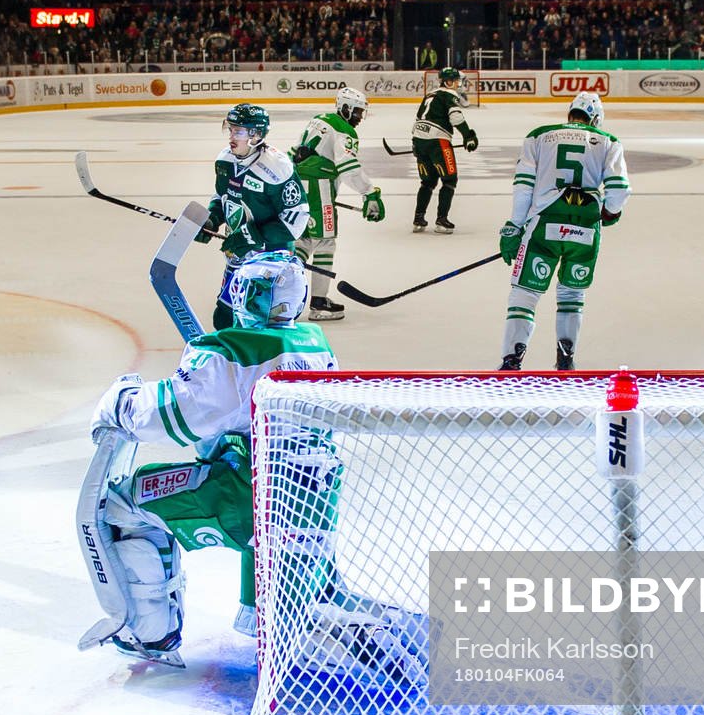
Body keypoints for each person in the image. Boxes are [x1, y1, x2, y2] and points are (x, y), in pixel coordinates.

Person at [83, 251, 418, 678]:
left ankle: (150, 633)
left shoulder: (237, 351)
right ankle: (382, 636)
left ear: (246, 293)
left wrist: (120, 400)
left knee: (125, 505)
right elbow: (237, 417)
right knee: (271, 616)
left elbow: (174, 415)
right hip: (312, 498)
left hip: (251, 494)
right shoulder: (313, 342)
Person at [497, 91, 630, 371]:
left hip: (543, 225)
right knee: (571, 296)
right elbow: (619, 189)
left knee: (524, 294)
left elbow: (524, 186)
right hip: (585, 229)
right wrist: (609, 212)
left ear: (570, 113)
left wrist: (514, 226)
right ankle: (565, 360)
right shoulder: (609, 142)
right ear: (596, 118)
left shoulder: (539, 135)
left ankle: (512, 361)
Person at [198, 103, 308, 330]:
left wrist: (253, 236)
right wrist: (212, 220)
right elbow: (221, 195)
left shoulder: (277, 167)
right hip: (237, 258)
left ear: (256, 135)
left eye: (238, 131)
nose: (231, 136)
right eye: (230, 129)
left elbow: (297, 218)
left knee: (264, 324)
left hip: (272, 262)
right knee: (225, 318)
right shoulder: (225, 160)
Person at [290, 87, 384, 321]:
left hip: (298, 185)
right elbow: (348, 166)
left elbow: (294, 152)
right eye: (358, 112)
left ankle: (280, 291)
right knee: (325, 241)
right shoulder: (344, 129)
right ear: (346, 108)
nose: (360, 117)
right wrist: (369, 193)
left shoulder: (319, 120)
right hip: (319, 186)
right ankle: (319, 303)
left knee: (303, 239)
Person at [409, 66, 478, 233]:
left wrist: (416, 144)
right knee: (449, 180)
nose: (458, 84)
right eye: (456, 80)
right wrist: (468, 136)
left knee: (428, 182)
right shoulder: (449, 95)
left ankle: (418, 219)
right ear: (448, 82)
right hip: (438, 141)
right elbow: (456, 117)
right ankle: (441, 220)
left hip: (419, 139)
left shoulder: (429, 95)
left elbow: (418, 119)